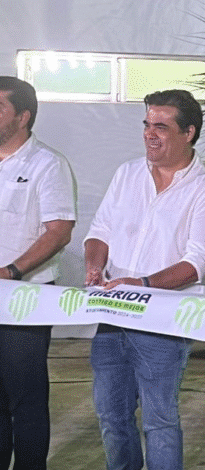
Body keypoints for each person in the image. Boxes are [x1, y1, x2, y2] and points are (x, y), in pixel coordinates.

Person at [84, 89, 205, 470]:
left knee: (159, 421)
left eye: (161, 127)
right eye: (147, 124)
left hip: (164, 323)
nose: (150, 134)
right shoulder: (127, 174)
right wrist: (94, 267)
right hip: (112, 315)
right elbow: (99, 231)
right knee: (111, 416)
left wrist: (143, 285)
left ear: (189, 132)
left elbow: (198, 263)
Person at [0, 76, 76, 469]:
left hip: (25, 297)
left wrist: (11, 272)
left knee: (25, 398)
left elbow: (59, 231)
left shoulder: (48, 164)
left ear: (23, 117)